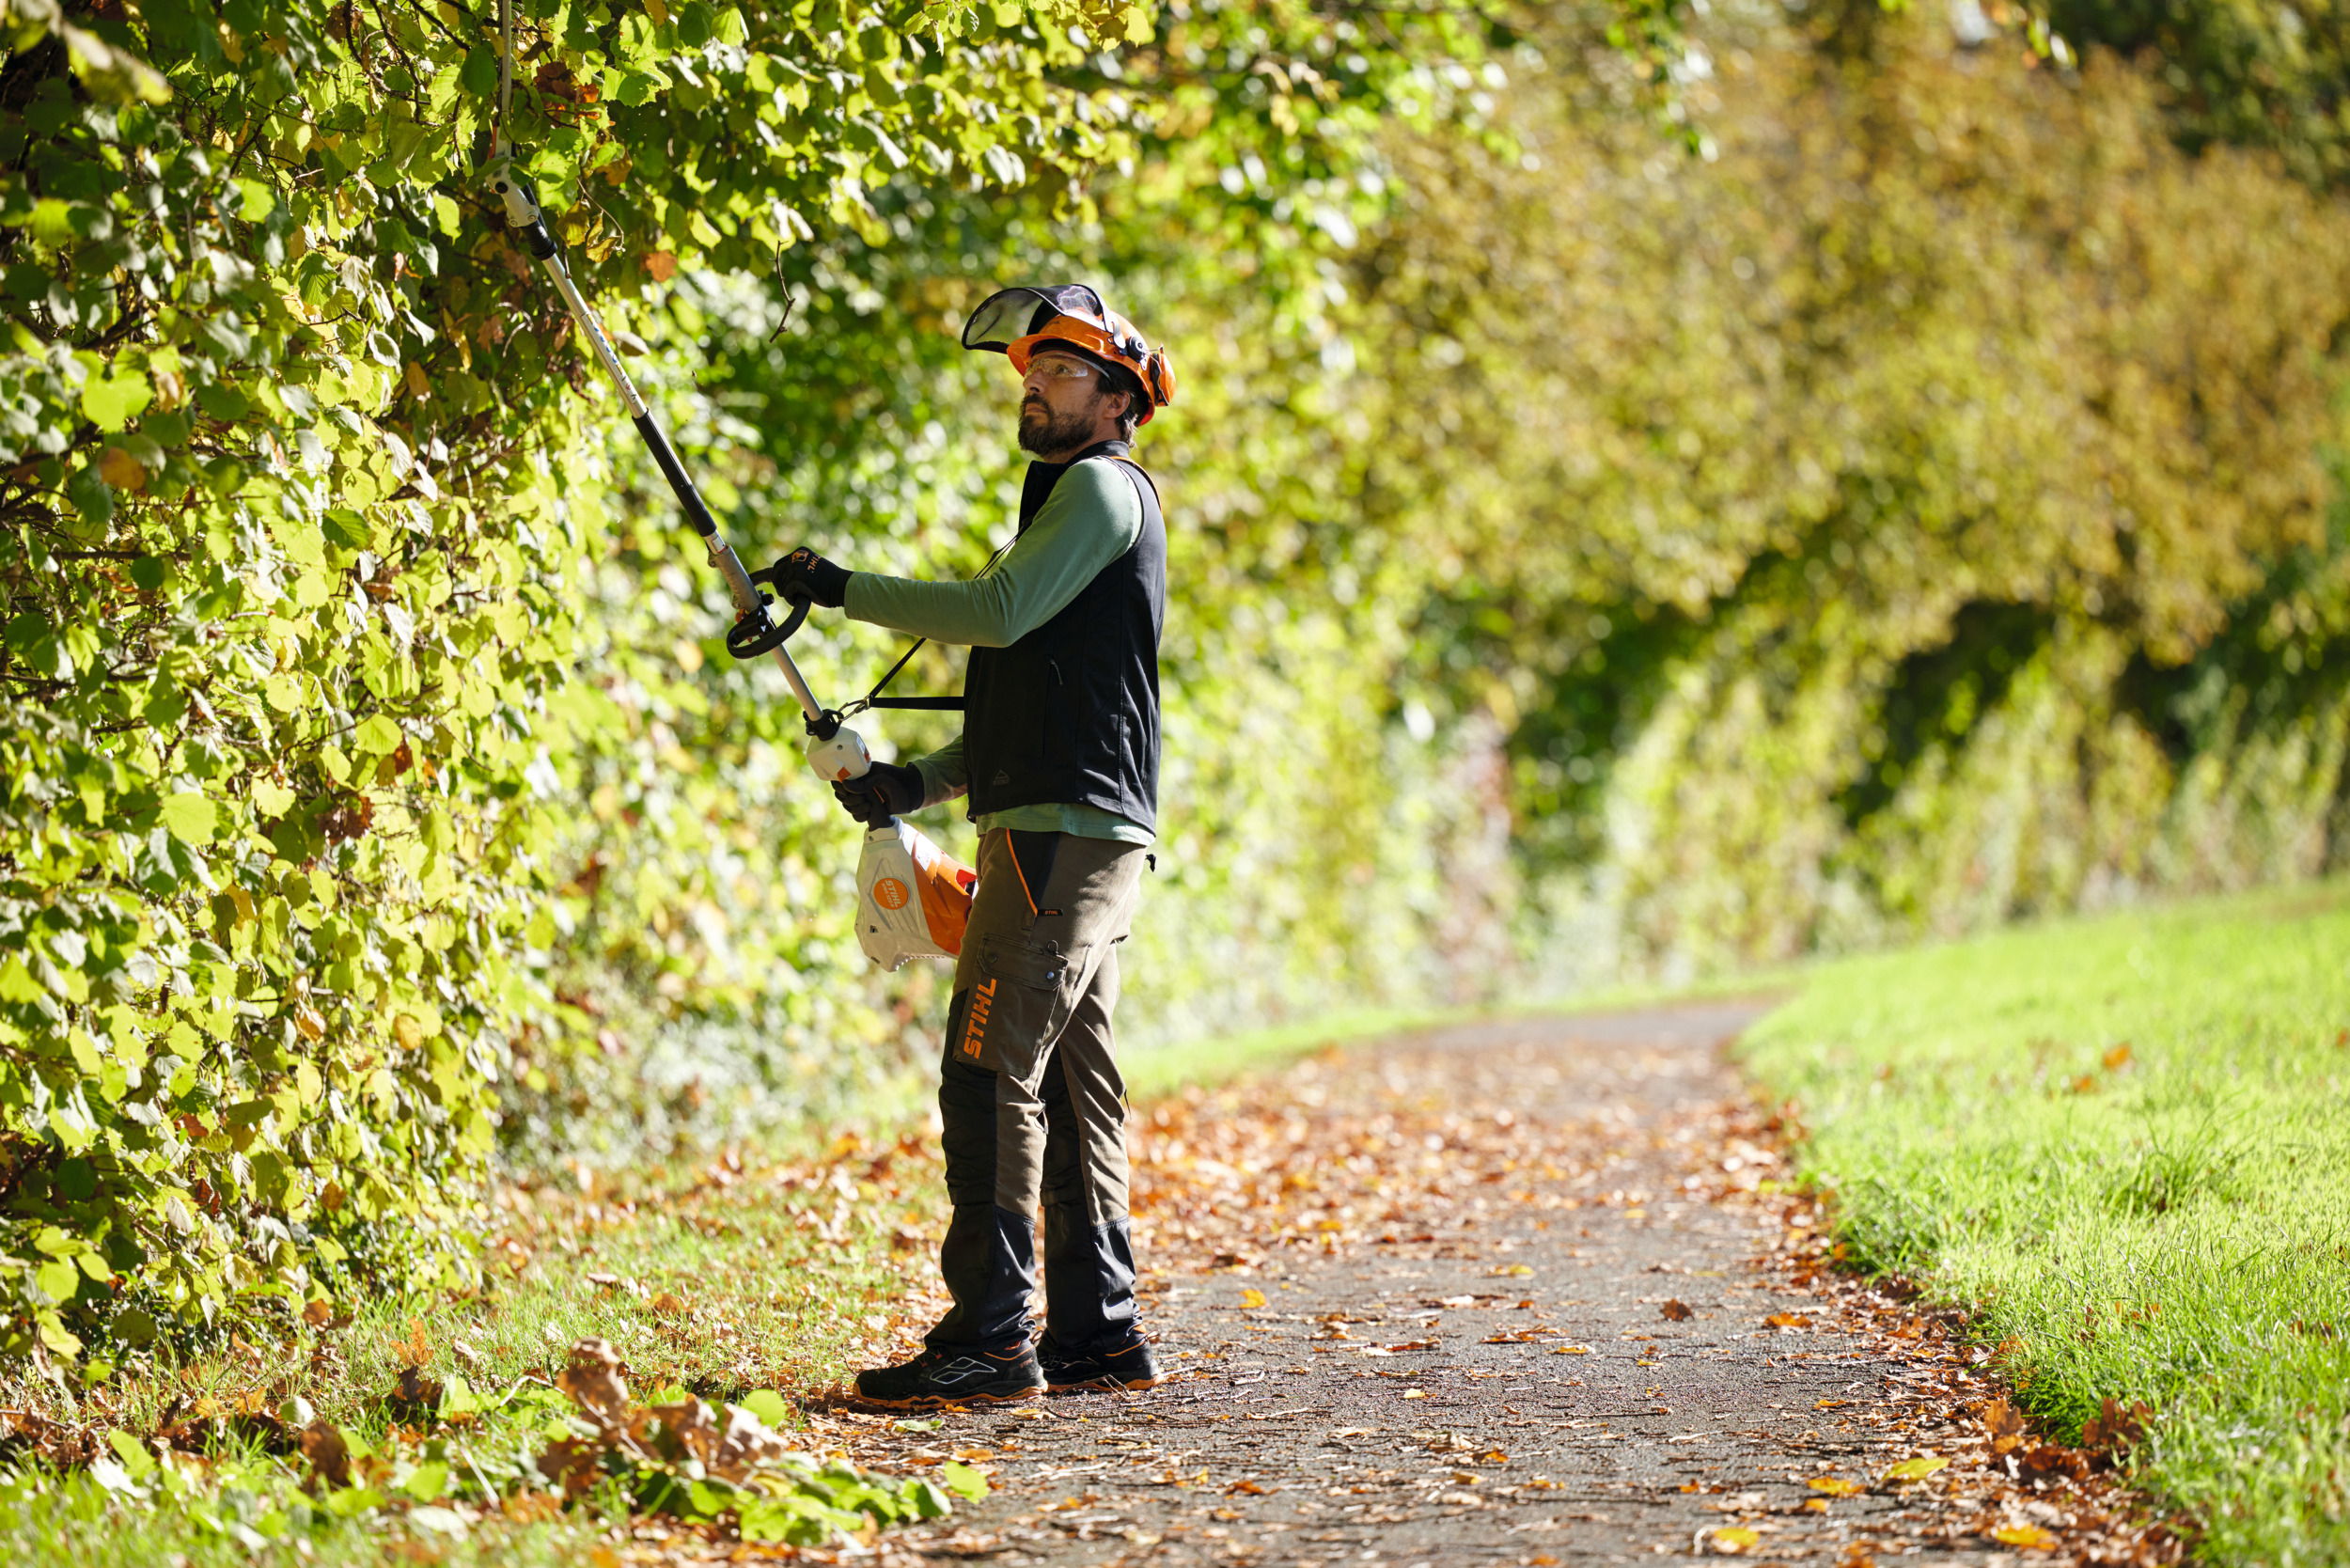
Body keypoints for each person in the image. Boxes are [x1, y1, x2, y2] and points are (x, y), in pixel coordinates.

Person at [769, 286, 1176, 1406]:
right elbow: (1031, 702)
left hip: (1061, 840)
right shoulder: (1063, 513)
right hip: (1068, 831)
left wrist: (838, 588)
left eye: (1060, 370)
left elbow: (993, 615)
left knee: (986, 1069)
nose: (1034, 385)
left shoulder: (1100, 489)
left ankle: (992, 1339)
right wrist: (914, 782)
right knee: (1077, 1081)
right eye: (1029, 371)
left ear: (1117, 395)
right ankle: (1099, 1332)